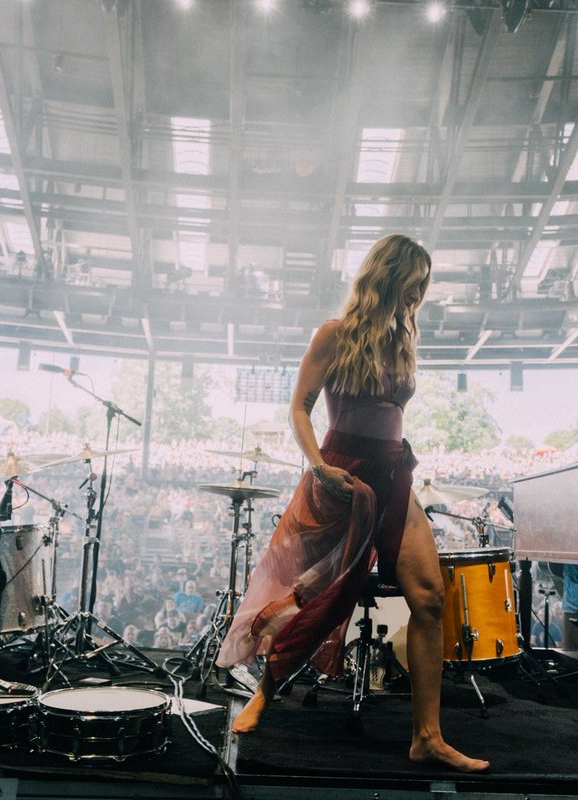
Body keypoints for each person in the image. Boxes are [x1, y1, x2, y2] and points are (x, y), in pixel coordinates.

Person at [216, 234, 488, 772]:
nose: (418, 296)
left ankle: (427, 737)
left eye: (424, 289)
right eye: (414, 284)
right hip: (342, 473)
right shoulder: (334, 335)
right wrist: (318, 465)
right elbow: (299, 408)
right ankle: (265, 692)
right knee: (310, 597)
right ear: (388, 275)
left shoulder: (401, 343)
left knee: (430, 596)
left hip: (394, 474)